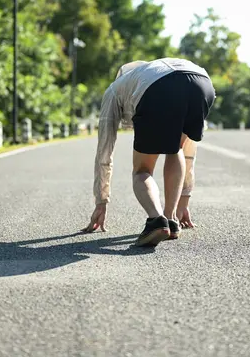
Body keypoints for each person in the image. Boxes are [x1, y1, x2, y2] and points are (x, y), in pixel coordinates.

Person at [81, 58, 216, 247]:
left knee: (142, 171)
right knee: (175, 147)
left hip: (159, 89)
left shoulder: (114, 90)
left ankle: (156, 221)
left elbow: (105, 150)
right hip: (203, 83)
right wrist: (184, 198)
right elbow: (189, 150)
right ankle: (171, 220)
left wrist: (101, 201)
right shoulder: (148, 72)